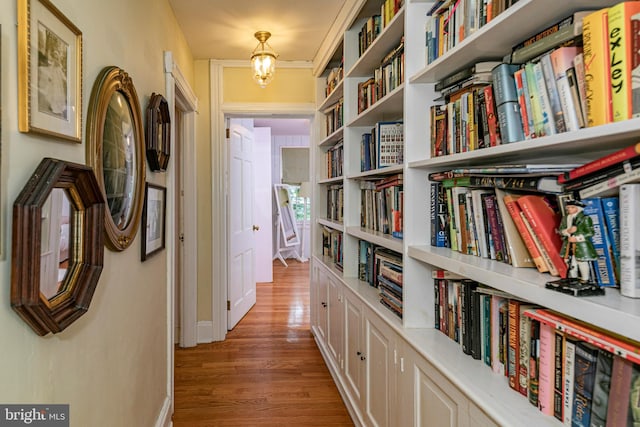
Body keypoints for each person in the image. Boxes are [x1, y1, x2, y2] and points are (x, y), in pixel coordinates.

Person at [559, 199, 597, 282]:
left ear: (578, 208)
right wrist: (567, 231)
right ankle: (573, 278)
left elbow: (590, 232)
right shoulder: (565, 218)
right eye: (568, 207)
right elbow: (560, 231)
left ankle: (585, 279)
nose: (569, 209)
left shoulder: (585, 218)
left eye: (572, 207)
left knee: (581, 261)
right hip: (568, 243)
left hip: (580, 245)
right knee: (569, 261)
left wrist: (577, 238)